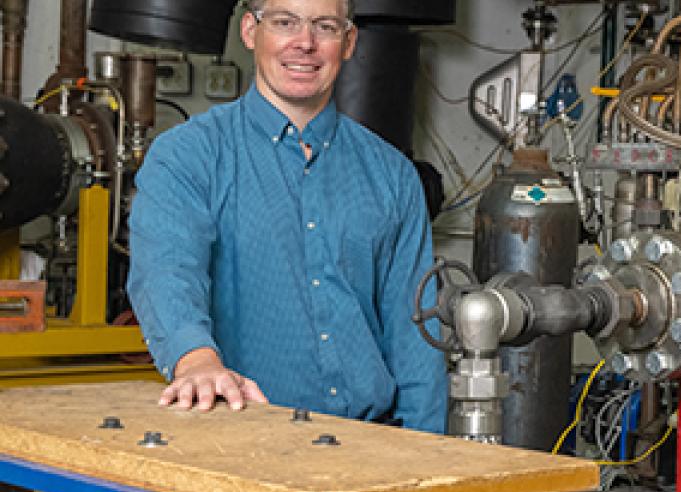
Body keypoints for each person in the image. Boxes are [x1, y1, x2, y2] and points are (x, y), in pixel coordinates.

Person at [127, 0, 446, 434]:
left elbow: (416, 342)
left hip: (367, 444)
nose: (305, 43)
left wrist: (424, 458)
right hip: (238, 441)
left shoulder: (392, 175)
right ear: (250, 31)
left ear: (349, 41)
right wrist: (196, 360)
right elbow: (167, 269)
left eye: (325, 26)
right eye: (284, 22)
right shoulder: (187, 156)